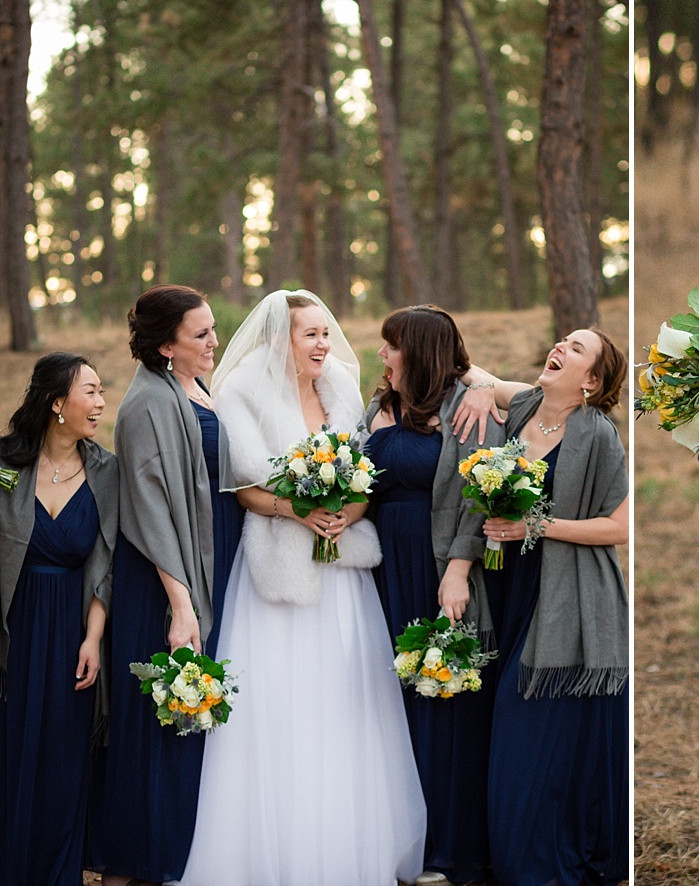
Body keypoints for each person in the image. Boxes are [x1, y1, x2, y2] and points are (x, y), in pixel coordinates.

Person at [179, 289, 428, 884]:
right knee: (282, 703)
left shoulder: (343, 387)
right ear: (280, 339)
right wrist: (299, 511)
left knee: (346, 701)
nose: (323, 343)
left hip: (343, 571)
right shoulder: (241, 392)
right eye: (310, 334)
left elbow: (365, 475)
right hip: (278, 573)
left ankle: (349, 841)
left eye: (325, 331)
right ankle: (272, 848)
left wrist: (352, 511)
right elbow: (243, 489)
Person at [362, 304, 529, 886]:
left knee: (448, 699)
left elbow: (479, 497)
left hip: (447, 568)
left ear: (420, 352)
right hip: (385, 568)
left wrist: (457, 571)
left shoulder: (470, 407)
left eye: (392, 346)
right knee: (395, 702)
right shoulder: (380, 406)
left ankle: (449, 852)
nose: (382, 355)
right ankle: (397, 841)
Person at [91, 284, 238, 886]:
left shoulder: (194, 387)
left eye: (211, 329)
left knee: (190, 711)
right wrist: (180, 605)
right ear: (163, 345)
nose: (213, 341)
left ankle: (178, 851)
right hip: (163, 579)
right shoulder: (147, 403)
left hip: (206, 561)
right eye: (200, 333)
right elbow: (148, 508)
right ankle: (142, 861)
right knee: (163, 714)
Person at [480, 329, 629, 885]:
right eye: (562, 340)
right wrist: (477, 392)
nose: (561, 348)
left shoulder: (597, 437)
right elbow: (477, 379)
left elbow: (620, 526)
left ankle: (537, 864)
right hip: (506, 588)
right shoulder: (522, 408)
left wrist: (535, 526)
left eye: (576, 349)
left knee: (527, 733)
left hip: (563, 598)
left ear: (590, 381)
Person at [0, 353, 118, 885]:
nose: (99, 403)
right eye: (89, 392)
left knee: (64, 759)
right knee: (12, 747)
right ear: (56, 404)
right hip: (15, 625)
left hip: (72, 629)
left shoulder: (105, 472)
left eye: (100, 391)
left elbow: (106, 559)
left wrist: (93, 638)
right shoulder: (6, 466)